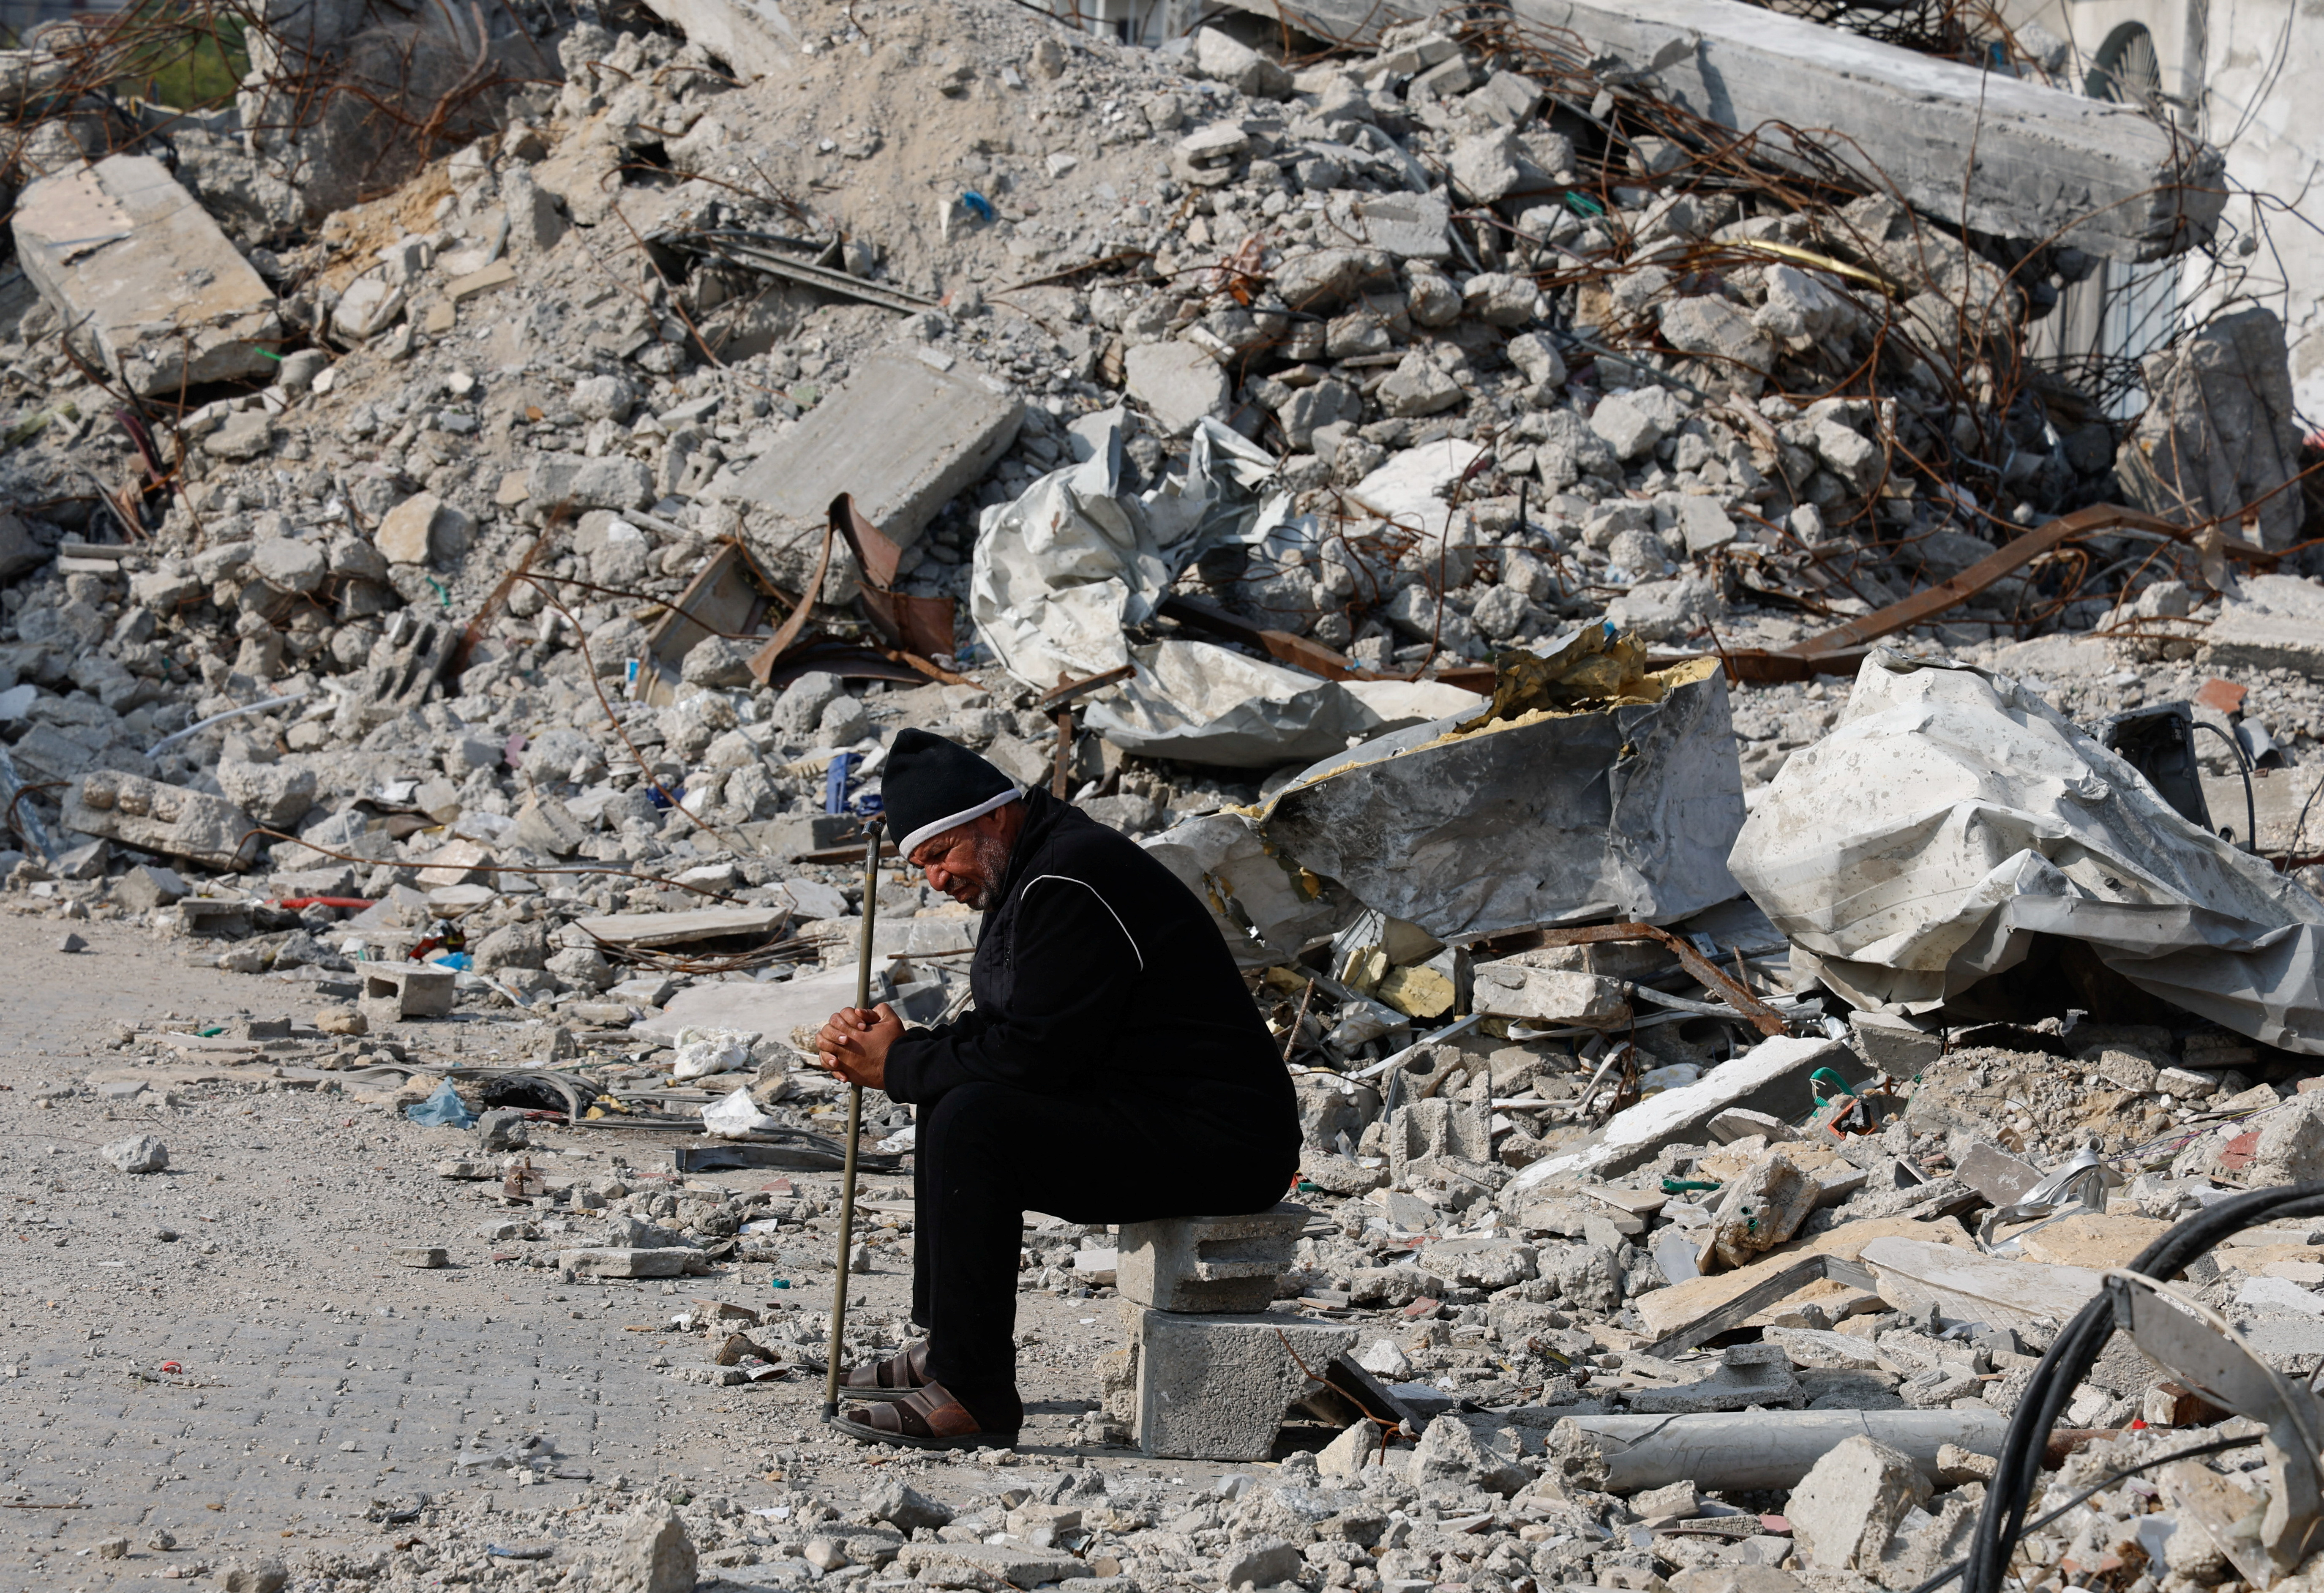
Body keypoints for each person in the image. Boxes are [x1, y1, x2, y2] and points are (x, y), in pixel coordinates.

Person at [814, 728, 1299, 1449]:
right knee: (954, 1099)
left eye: (940, 857)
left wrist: (898, 1068)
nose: (937, 881)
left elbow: (1035, 1059)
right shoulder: (1034, 872)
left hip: (1225, 1139)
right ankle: (949, 1346)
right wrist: (903, 1046)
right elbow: (1012, 1026)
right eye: (920, 866)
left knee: (972, 1119)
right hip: (1158, 1110)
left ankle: (974, 1394)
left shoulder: (1068, 878)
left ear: (991, 818)